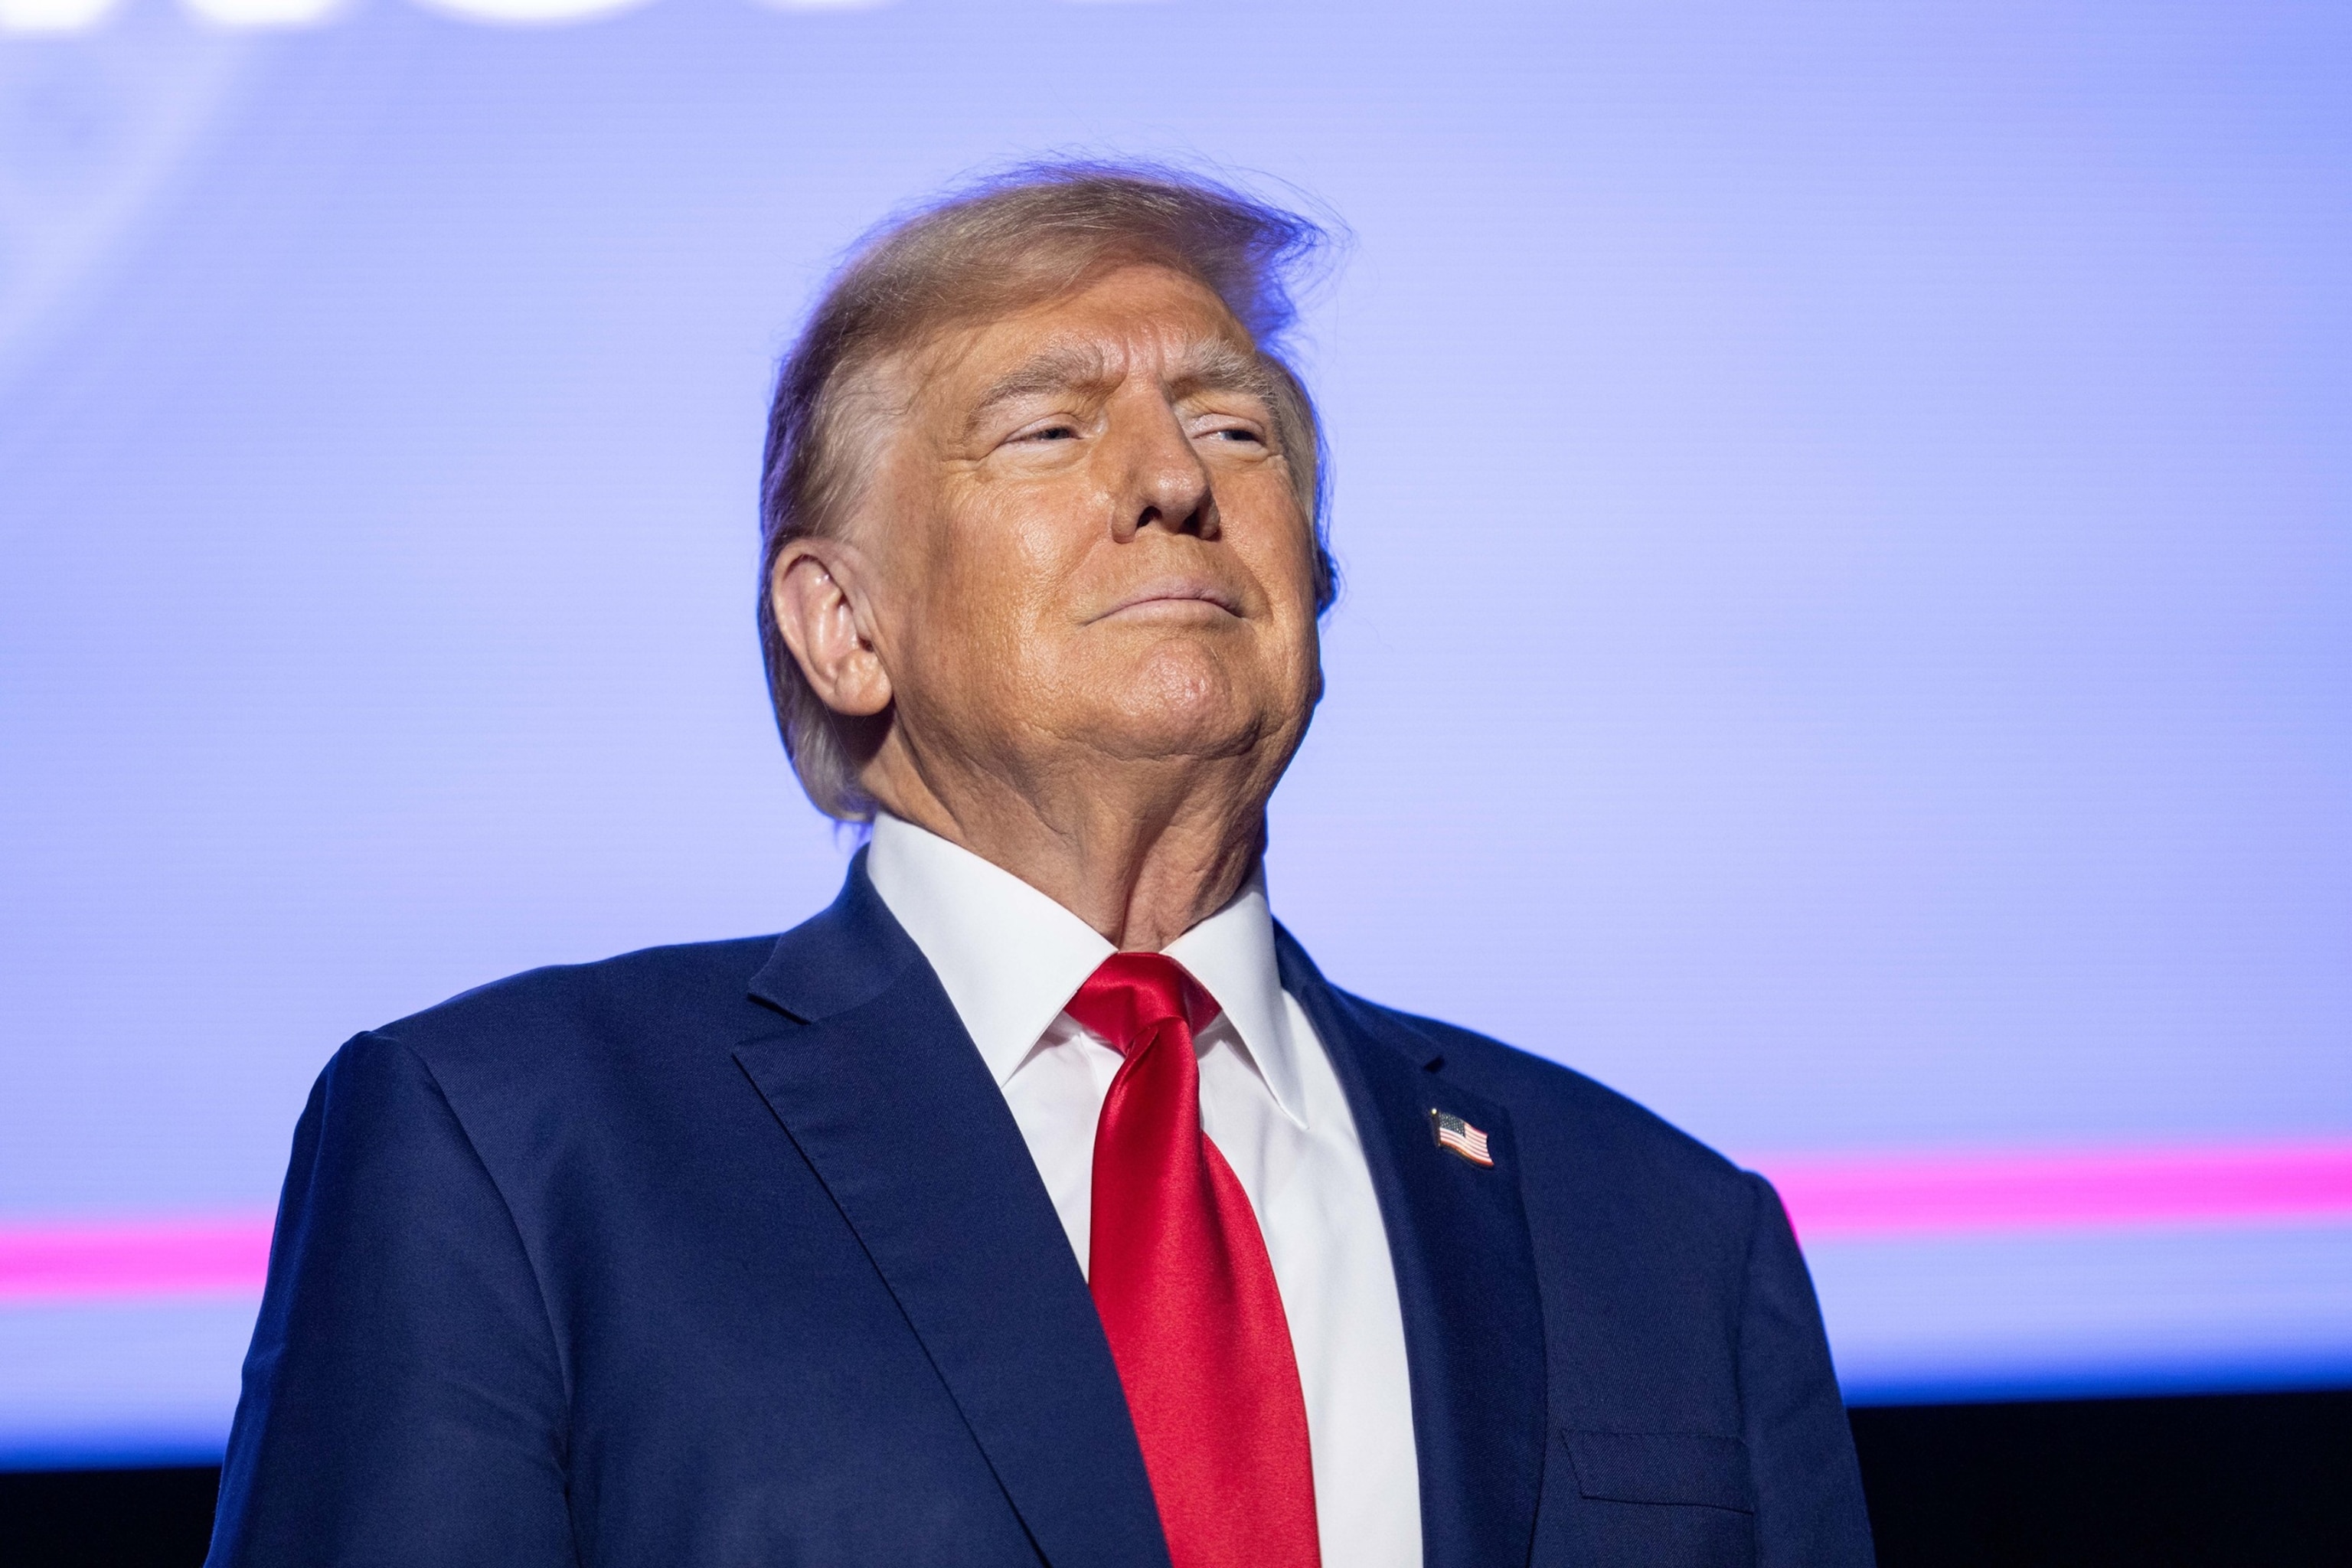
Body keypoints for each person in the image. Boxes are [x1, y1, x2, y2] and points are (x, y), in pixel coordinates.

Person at [207, 163, 1873, 1568]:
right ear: (843, 625)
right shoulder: (512, 1152)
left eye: (1234, 429)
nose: (1170, 483)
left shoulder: (1666, 1238)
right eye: (1048, 430)